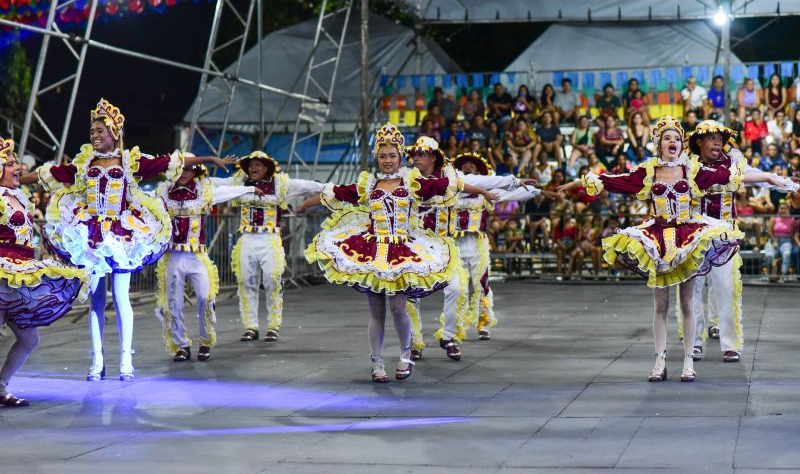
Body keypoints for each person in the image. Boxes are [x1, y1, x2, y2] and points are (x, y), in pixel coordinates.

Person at [559, 116, 781, 382]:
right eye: (667, 137)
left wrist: (769, 176)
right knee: (660, 305)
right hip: (658, 241)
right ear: (659, 143)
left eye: (676, 137)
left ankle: (688, 363)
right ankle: (660, 362)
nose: (673, 141)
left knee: (688, 302)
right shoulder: (648, 171)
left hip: (686, 239)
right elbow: (614, 180)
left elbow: (731, 174)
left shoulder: (692, 170)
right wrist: (582, 181)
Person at [26, 99, 228, 381]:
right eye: (92, 131)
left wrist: (208, 160)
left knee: (121, 297)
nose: (94, 135)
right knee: (95, 300)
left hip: (122, 235)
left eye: (100, 131)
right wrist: (14, 178)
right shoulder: (85, 163)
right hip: (92, 236)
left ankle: (125, 359)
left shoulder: (130, 162)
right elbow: (51, 174)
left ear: (114, 133)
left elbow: (168, 161)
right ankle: (97, 360)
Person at [298, 125, 490, 382]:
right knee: (376, 311)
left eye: (392, 156)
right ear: (377, 158)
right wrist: (303, 205)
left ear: (400, 157)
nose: (387, 161)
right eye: (382, 156)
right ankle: (377, 364)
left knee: (399, 306)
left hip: (401, 250)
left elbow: (453, 184)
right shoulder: (368, 185)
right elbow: (336, 192)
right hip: (371, 252)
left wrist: (487, 191)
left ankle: (405, 354)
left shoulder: (413, 183)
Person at [405, 137, 531, 361]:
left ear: (433, 157)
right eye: (413, 153)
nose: (415, 158)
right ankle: (414, 342)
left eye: (421, 153)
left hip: (444, 246)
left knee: (457, 290)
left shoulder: (452, 178)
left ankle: (449, 336)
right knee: (410, 295)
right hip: (415, 246)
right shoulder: (406, 179)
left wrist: (514, 181)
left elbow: (484, 181)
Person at [684, 120, 797, 363]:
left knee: (727, 288)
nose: (718, 142)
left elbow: (752, 177)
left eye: (720, 138)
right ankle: (693, 341)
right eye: (712, 137)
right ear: (700, 141)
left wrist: (778, 180)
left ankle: (730, 343)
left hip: (724, 235)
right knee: (691, 291)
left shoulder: (732, 161)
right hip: (694, 236)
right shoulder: (689, 165)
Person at [0, 137, 89, 405]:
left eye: (17, 162)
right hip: (2, 275)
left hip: (20, 276)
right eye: (11, 163)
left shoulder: (17, 195)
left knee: (29, 339)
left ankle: (1, 386)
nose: (18, 168)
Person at [153, 155, 260, 362]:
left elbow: (224, 193)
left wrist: (249, 189)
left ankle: (205, 341)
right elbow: (144, 201)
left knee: (205, 297)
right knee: (172, 303)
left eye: (188, 170)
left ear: (196, 172)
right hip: (172, 257)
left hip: (196, 256)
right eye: (181, 169)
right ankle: (181, 346)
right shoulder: (163, 194)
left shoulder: (203, 192)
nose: (184, 173)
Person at [220, 152, 325, 343]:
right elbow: (215, 184)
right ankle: (250, 326)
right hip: (247, 238)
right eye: (251, 165)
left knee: (272, 279)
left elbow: (306, 185)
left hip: (270, 239)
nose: (253, 168)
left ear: (267, 168)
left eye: (258, 165)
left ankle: (273, 325)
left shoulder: (281, 184)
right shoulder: (239, 183)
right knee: (246, 281)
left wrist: (329, 188)